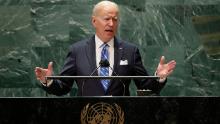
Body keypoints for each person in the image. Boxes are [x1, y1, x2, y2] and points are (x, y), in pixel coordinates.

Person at [35, 0, 176, 96]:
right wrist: (49, 80)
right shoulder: (77, 51)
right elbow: (63, 87)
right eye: (107, 19)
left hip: (120, 115)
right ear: (94, 21)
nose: (111, 23)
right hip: (87, 115)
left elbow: (145, 86)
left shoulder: (130, 51)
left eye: (115, 20)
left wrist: (159, 77)